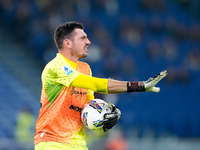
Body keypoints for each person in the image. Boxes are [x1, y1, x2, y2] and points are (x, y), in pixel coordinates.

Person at [34, 22, 167, 150]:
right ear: (67, 43)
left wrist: (103, 115)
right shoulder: (55, 66)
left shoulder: (85, 68)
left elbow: (87, 106)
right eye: (82, 38)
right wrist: (139, 86)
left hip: (77, 144)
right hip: (52, 142)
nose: (88, 42)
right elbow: (97, 84)